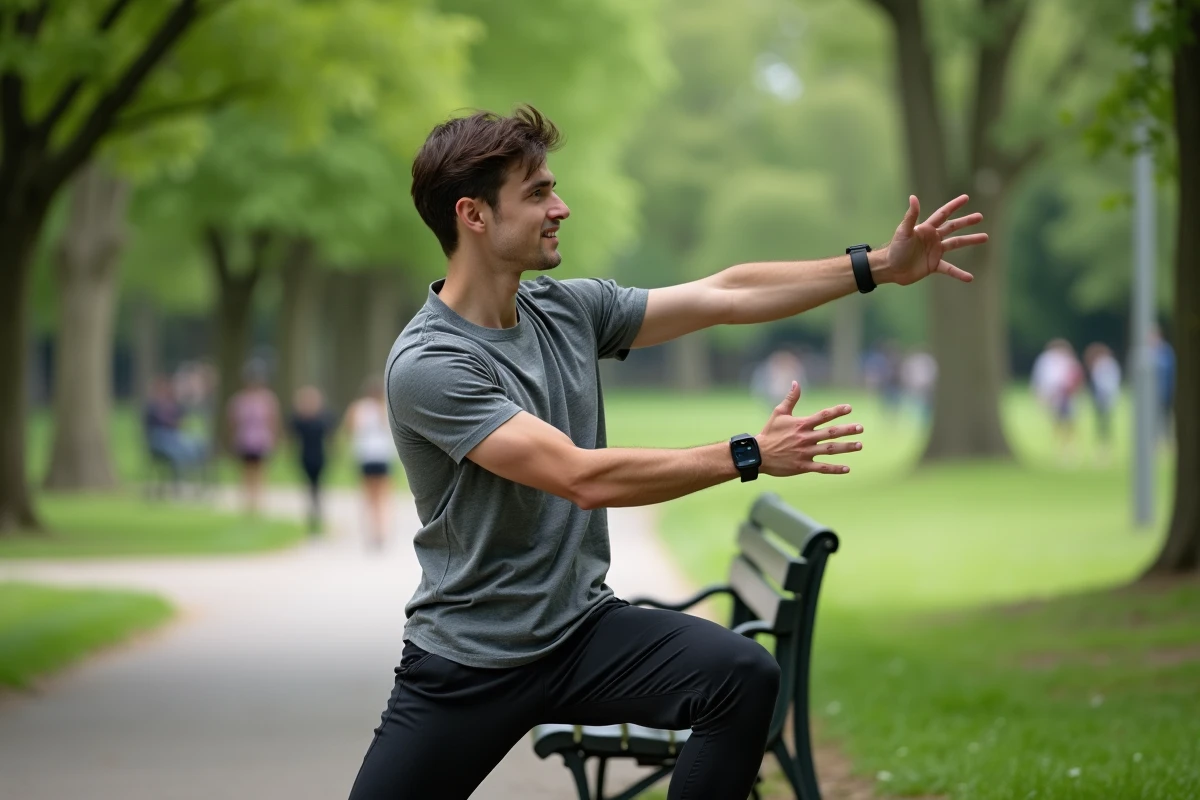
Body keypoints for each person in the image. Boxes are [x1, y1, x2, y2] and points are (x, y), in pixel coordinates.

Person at [348, 106, 988, 800]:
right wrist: (746, 453)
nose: (561, 207)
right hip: (467, 662)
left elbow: (726, 294)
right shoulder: (430, 363)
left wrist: (879, 267)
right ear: (472, 215)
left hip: (578, 635)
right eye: (537, 193)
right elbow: (578, 476)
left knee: (739, 677)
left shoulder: (566, 312)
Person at [342, 377, 396, 549]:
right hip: (379, 455)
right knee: (380, 496)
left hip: (368, 455)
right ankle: (379, 531)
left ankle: (374, 531)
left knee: (371, 496)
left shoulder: (359, 408)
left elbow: (349, 429)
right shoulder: (384, 408)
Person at [227, 361, 281, 515]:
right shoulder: (239, 400)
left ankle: (258, 503)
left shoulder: (267, 400)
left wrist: (275, 439)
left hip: (261, 440)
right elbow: (233, 422)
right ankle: (247, 503)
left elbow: (273, 421)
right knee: (246, 472)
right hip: (245, 439)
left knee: (260, 471)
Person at [290, 385, 334, 534]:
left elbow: (329, 437)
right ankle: (311, 517)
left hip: (320, 457)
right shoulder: (299, 420)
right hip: (305, 457)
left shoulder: (322, 418)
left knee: (318, 488)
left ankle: (318, 515)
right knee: (309, 488)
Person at [1031, 338, 1084, 462]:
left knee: (1069, 422)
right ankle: (1060, 448)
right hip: (1054, 396)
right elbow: (1040, 379)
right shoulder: (1046, 361)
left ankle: (1069, 448)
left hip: (1067, 396)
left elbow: (1076, 379)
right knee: (1057, 422)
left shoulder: (1068, 360)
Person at [1083, 342, 1121, 463]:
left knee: (1104, 424)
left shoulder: (1104, 364)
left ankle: (1104, 449)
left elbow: (1107, 382)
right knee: (1103, 424)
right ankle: (1104, 448)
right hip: (1102, 397)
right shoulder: (1106, 363)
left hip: (1105, 397)